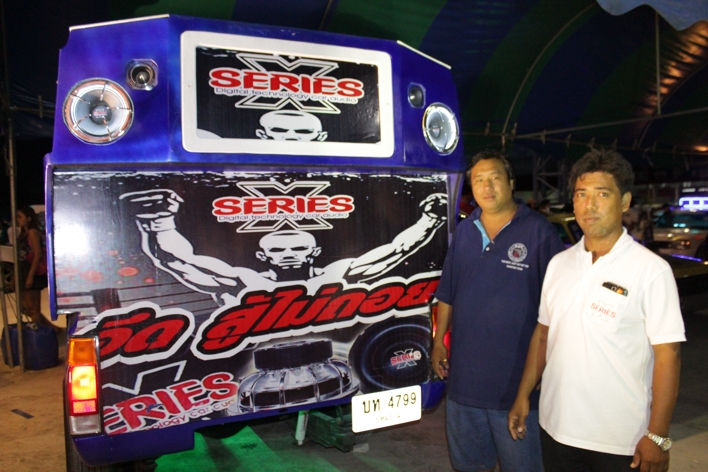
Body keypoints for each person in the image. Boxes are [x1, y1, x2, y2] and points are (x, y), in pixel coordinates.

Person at [508, 149, 685, 472]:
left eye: (602, 194)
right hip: (555, 429)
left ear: (625, 201)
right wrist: (523, 395)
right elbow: (543, 335)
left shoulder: (650, 270)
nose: (589, 205)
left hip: (620, 441)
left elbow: (668, 356)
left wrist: (658, 436)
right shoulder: (559, 264)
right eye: (581, 194)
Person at [432, 150, 565, 472]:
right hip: (464, 384)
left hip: (517, 386)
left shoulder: (539, 231)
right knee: (471, 466)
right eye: (479, 180)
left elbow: (557, 309)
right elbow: (447, 292)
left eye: (495, 178)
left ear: (511, 183)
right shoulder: (465, 231)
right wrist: (438, 342)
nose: (487, 186)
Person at [120, 189, 447, 304]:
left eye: (297, 249)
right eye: (278, 251)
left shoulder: (337, 273)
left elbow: (395, 250)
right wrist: (160, 222)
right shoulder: (246, 280)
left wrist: (429, 221)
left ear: (314, 252)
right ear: (262, 255)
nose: (288, 255)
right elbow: (178, 261)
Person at [16, 206, 49, 326]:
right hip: (25, 269)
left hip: (32, 270)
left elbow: (37, 254)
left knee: (33, 308)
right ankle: (51, 329)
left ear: (29, 218)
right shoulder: (23, 233)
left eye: (20, 217)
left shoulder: (32, 232)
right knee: (27, 307)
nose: (17, 219)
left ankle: (39, 332)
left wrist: (30, 276)